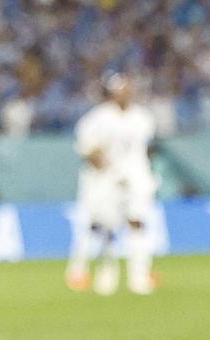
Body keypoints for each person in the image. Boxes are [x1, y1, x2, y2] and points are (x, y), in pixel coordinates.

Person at [66, 72, 159, 296]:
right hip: (106, 179)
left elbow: (145, 148)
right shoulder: (97, 118)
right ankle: (103, 270)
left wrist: (140, 173)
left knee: (137, 220)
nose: (125, 94)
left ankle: (139, 274)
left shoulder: (143, 117)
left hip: (135, 178)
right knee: (104, 225)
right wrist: (113, 172)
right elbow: (89, 150)